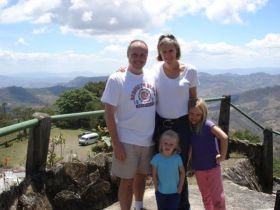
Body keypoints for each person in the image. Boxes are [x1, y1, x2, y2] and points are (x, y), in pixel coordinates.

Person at [101, 40, 156, 210]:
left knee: (141, 176)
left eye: (142, 55)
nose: (138, 58)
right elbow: (109, 113)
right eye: (134, 54)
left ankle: (138, 206)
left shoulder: (151, 75)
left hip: (148, 139)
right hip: (126, 140)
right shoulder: (117, 78)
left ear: (147, 57)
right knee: (126, 181)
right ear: (127, 55)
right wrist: (116, 144)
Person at [153, 34, 199, 210]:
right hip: (161, 124)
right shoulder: (155, 69)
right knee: (164, 166)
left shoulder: (191, 71)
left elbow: (193, 99)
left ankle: (182, 206)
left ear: (176, 50)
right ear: (159, 52)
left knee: (179, 168)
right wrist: (123, 70)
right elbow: (139, 75)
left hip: (182, 125)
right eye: (163, 51)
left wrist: (198, 124)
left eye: (170, 50)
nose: (167, 54)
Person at [188, 98, 228, 210]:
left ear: (203, 114)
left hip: (212, 167)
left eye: (198, 114)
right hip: (199, 169)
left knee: (217, 198)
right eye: (191, 113)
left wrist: (222, 156)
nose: (194, 117)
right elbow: (191, 147)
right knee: (206, 197)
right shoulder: (190, 128)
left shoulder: (208, 125)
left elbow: (224, 137)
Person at [150, 129, 185, 210]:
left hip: (175, 193)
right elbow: (154, 175)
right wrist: (156, 188)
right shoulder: (156, 158)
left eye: (171, 144)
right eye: (165, 143)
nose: (168, 146)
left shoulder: (177, 158)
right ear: (161, 143)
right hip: (160, 193)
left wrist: (179, 188)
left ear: (176, 146)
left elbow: (182, 173)